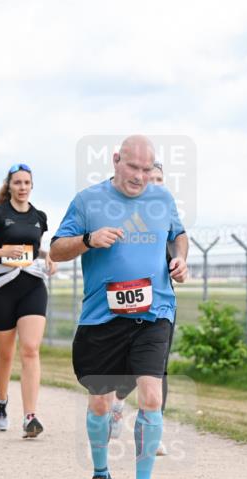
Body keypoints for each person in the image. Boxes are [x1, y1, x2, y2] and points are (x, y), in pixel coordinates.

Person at [50, 136, 188, 479]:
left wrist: (179, 259)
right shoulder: (87, 201)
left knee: (151, 396)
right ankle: (100, 476)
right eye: (133, 168)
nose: (141, 177)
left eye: (148, 170)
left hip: (154, 311)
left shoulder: (161, 199)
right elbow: (56, 250)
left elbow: (178, 234)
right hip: (102, 318)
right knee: (100, 403)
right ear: (116, 161)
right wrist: (89, 240)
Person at [0, 163, 56, 437]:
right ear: (10, 186)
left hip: (31, 285)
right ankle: (1, 402)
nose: (23, 188)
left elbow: (32, 248)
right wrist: (2, 250)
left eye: (27, 183)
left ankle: (30, 417)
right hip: (2, 287)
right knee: (6, 354)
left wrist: (48, 257)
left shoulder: (39, 216)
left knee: (30, 349)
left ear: (32, 185)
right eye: (18, 183)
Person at [110, 161, 172, 454]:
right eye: (151, 179)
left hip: (160, 306)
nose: (155, 184)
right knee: (128, 367)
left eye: (160, 179)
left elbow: (177, 253)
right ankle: (117, 403)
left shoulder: (167, 216)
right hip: (126, 300)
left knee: (158, 370)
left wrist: (180, 266)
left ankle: (152, 430)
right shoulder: (128, 216)